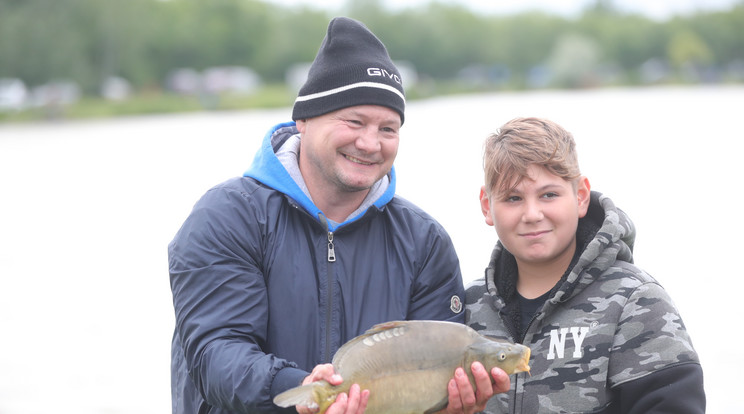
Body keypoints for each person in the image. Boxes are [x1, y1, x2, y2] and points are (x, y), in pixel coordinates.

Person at [168, 17, 506, 414]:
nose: (369, 143)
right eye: (354, 121)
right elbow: (215, 353)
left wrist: (446, 409)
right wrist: (302, 393)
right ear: (304, 119)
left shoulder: (424, 242)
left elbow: (431, 375)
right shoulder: (227, 217)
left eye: (388, 128)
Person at [460, 117, 705, 413]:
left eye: (549, 194)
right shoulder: (465, 308)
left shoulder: (635, 301)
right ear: (487, 206)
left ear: (581, 196)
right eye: (513, 198)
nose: (532, 213)